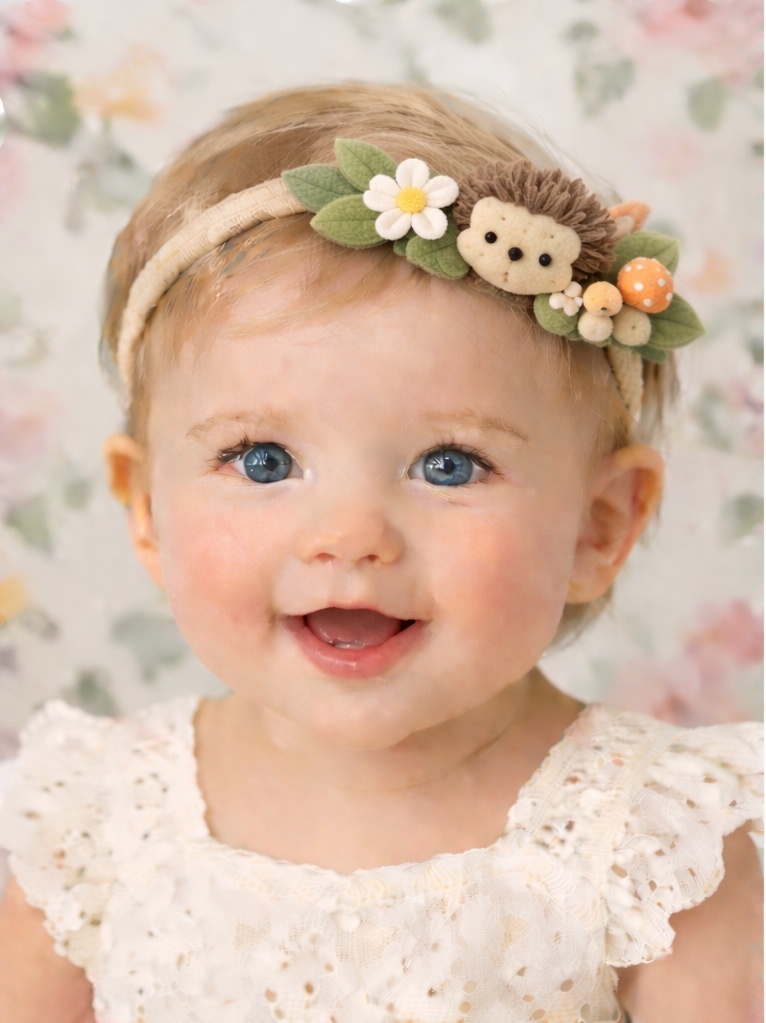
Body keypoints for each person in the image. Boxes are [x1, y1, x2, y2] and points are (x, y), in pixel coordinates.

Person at [0, 82, 761, 1023]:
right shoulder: (95, 820)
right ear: (146, 508)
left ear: (598, 527)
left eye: (449, 464)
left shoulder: (657, 844)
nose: (351, 535)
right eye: (262, 459)